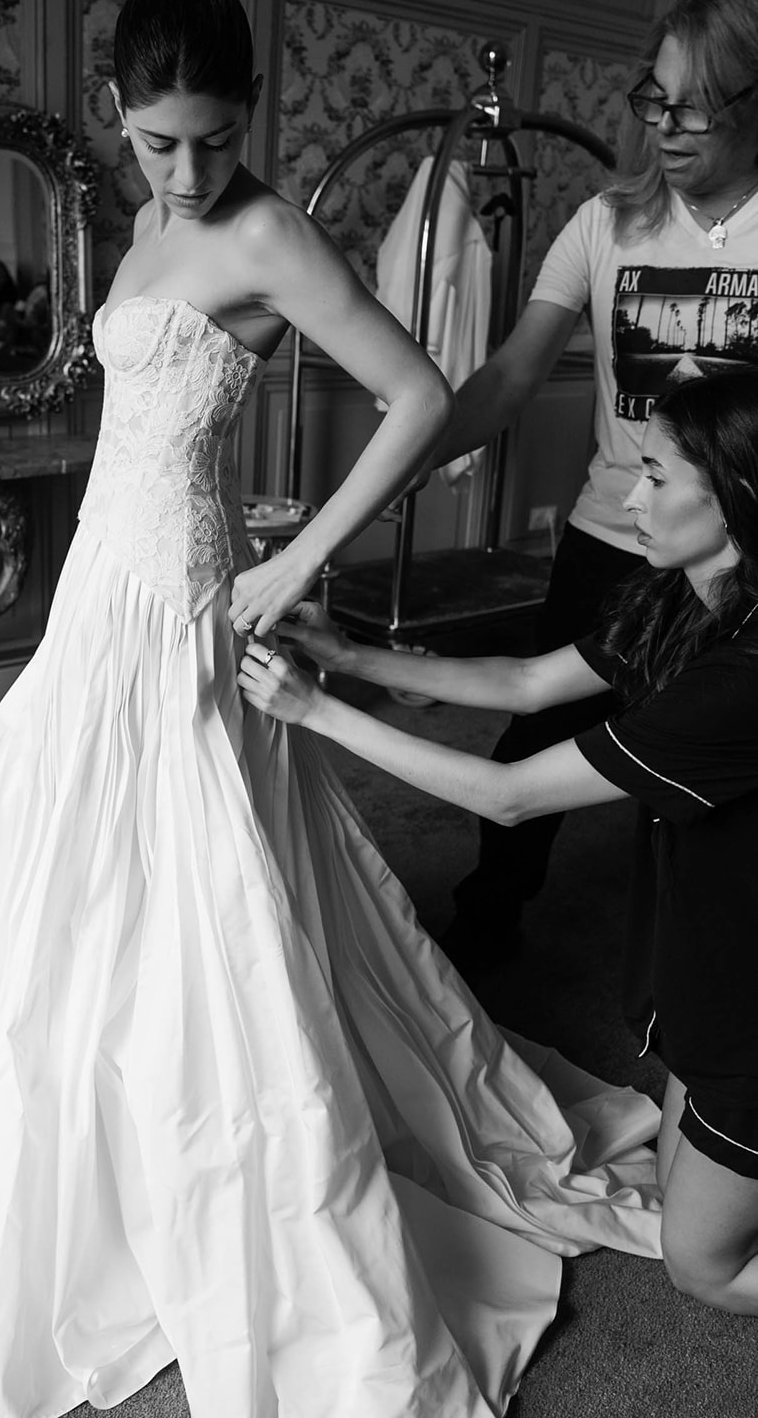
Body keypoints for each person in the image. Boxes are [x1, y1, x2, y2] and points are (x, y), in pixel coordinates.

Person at [0, 0, 661, 1418]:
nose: (185, 173)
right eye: (159, 143)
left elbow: (418, 396)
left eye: (215, 143)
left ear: (251, 125)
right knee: (62, 871)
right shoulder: (142, 223)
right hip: (111, 580)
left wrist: (296, 569)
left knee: (199, 877)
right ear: (115, 114)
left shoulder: (267, 234)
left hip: (196, 597)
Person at [241, 366, 758, 1316]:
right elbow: (524, 684)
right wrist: (350, 655)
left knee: (703, 1267)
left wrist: (319, 713)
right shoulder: (683, 596)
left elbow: (513, 794)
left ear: (734, 501)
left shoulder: (746, 673)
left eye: (655, 478)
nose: (627, 495)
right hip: (713, 959)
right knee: (684, 1175)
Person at [422, 0, 758, 978]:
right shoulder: (605, 224)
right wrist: (405, 461)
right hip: (612, 540)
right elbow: (511, 375)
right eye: (655, 97)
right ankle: (487, 921)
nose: (667, 124)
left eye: (695, 103)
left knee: (720, 791)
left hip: (739, 574)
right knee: (537, 733)